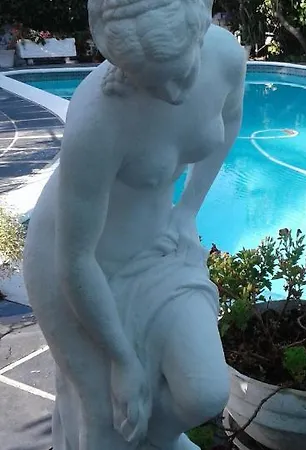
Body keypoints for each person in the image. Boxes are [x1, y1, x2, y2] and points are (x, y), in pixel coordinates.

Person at [22, 0, 246, 448]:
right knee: (104, 415)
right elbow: (75, 260)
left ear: (198, 33)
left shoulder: (225, 57)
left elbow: (230, 118)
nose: (174, 93)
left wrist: (188, 210)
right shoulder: (98, 118)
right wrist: (122, 361)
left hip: (158, 246)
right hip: (76, 266)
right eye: (151, 81)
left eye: (180, 72)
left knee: (204, 392)